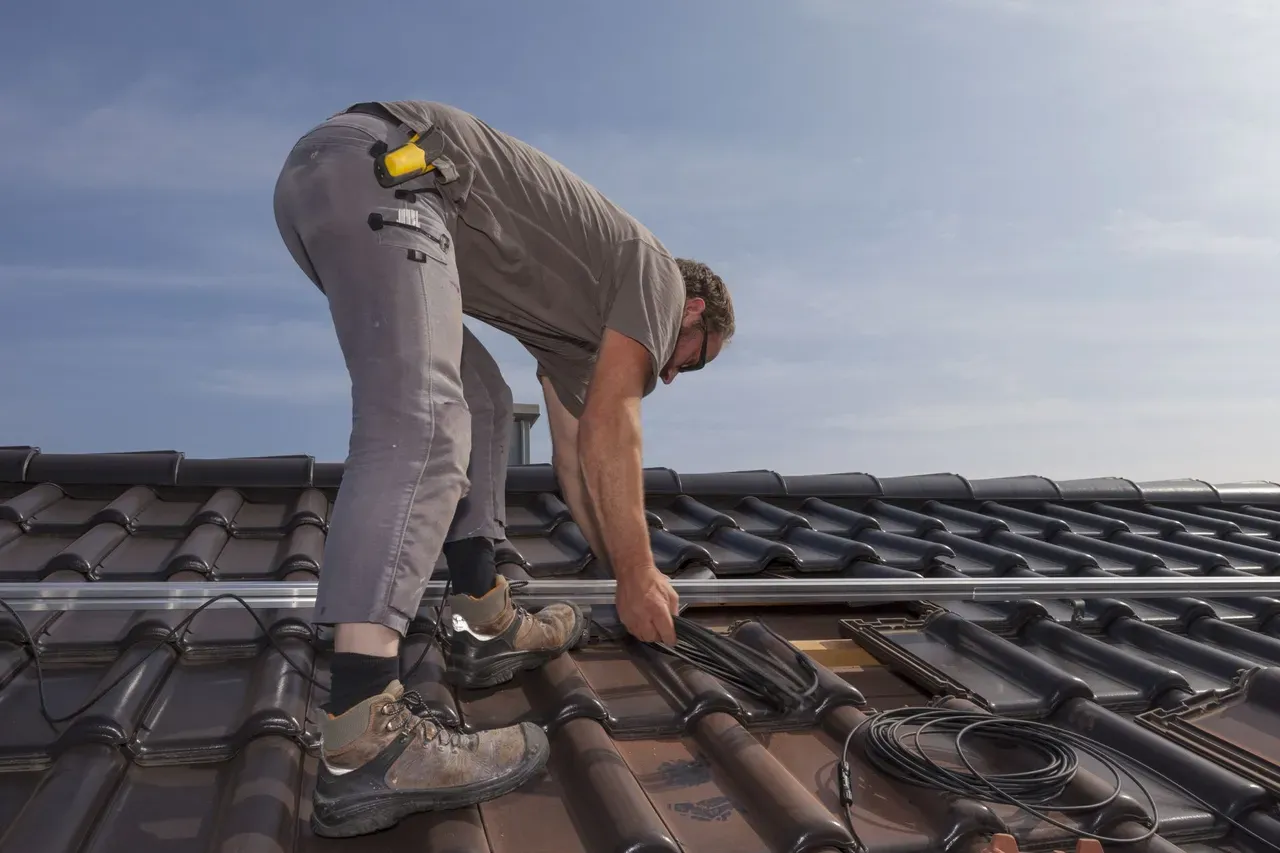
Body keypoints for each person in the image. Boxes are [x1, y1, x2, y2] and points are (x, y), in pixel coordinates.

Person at [272, 100, 734, 838]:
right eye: (692, 360)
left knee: (483, 398)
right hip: (386, 170)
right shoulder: (654, 273)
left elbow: (581, 461)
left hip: (338, 186)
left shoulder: (577, 336)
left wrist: (624, 564)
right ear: (694, 311)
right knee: (425, 417)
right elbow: (617, 426)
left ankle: (483, 617)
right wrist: (639, 574)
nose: (674, 377)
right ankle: (365, 731)